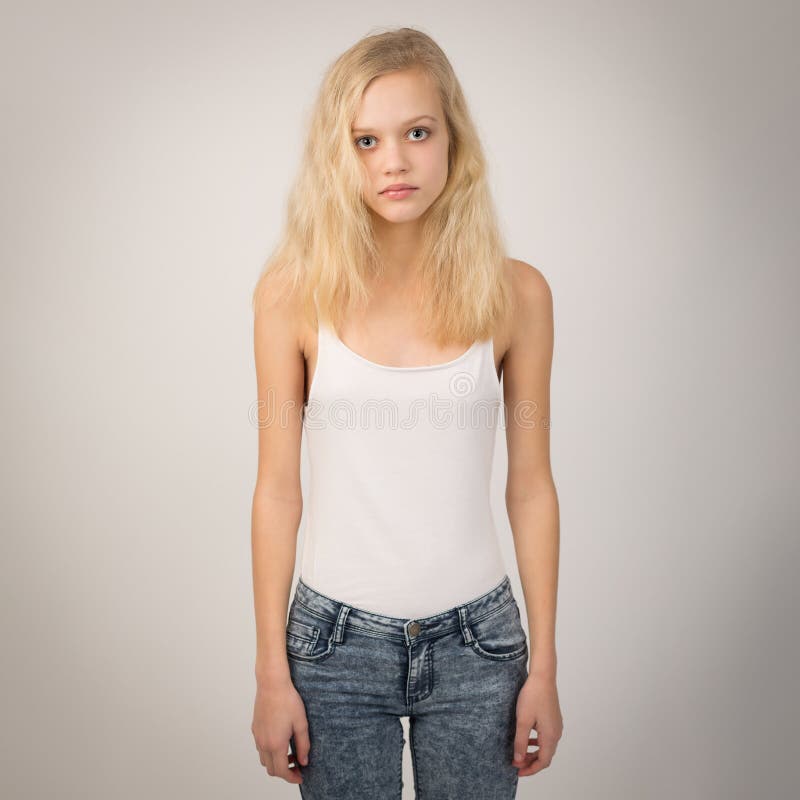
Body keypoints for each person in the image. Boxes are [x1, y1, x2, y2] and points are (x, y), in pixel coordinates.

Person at [249, 27, 562, 799]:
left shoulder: (517, 295)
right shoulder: (290, 296)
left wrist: (545, 668)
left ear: (452, 139)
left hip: (479, 647)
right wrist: (270, 676)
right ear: (338, 155)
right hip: (332, 647)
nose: (394, 160)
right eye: (366, 140)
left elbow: (531, 486)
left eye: (417, 132)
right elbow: (276, 491)